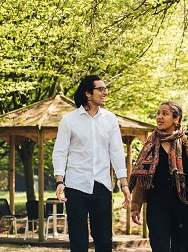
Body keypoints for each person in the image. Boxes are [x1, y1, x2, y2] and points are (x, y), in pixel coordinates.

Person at [52, 75, 131, 252]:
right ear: (88, 93)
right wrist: (59, 180)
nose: (105, 92)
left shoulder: (110, 119)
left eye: (105, 89)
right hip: (76, 186)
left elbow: (117, 152)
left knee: (104, 241)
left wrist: (124, 184)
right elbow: (60, 152)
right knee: (78, 242)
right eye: (101, 89)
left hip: (102, 186)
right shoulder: (69, 120)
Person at [129, 101, 188, 252]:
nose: (159, 117)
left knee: (180, 248)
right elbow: (143, 176)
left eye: (165, 114)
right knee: (159, 247)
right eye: (158, 113)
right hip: (156, 204)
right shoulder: (150, 145)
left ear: (176, 119)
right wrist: (136, 206)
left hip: (183, 204)